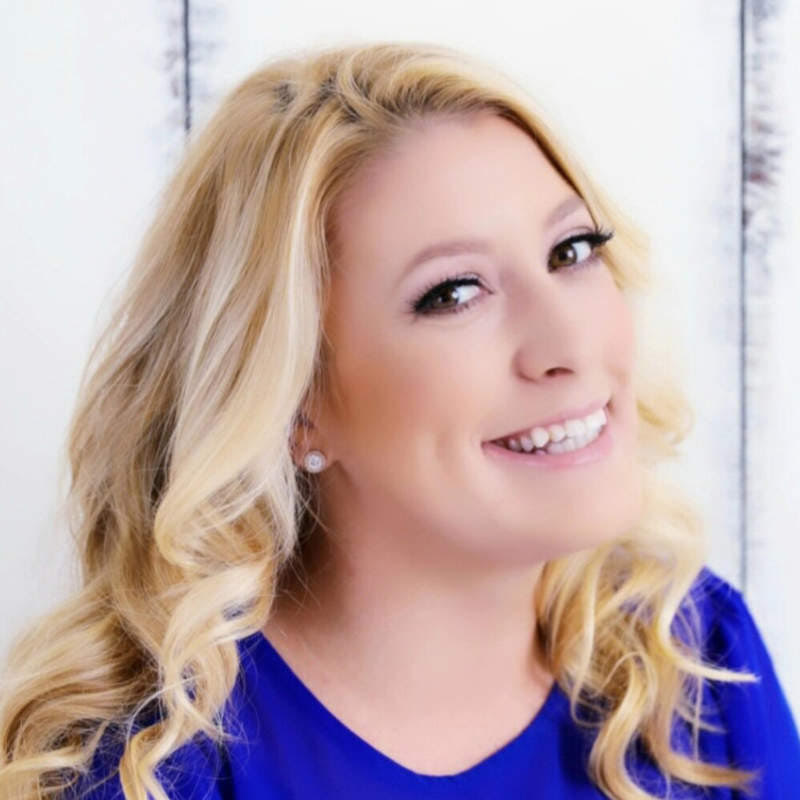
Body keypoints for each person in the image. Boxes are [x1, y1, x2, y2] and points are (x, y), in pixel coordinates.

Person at [1, 40, 798, 800]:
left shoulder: (694, 663)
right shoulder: (143, 767)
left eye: (572, 250)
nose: (570, 342)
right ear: (295, 407)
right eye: (454, 293)